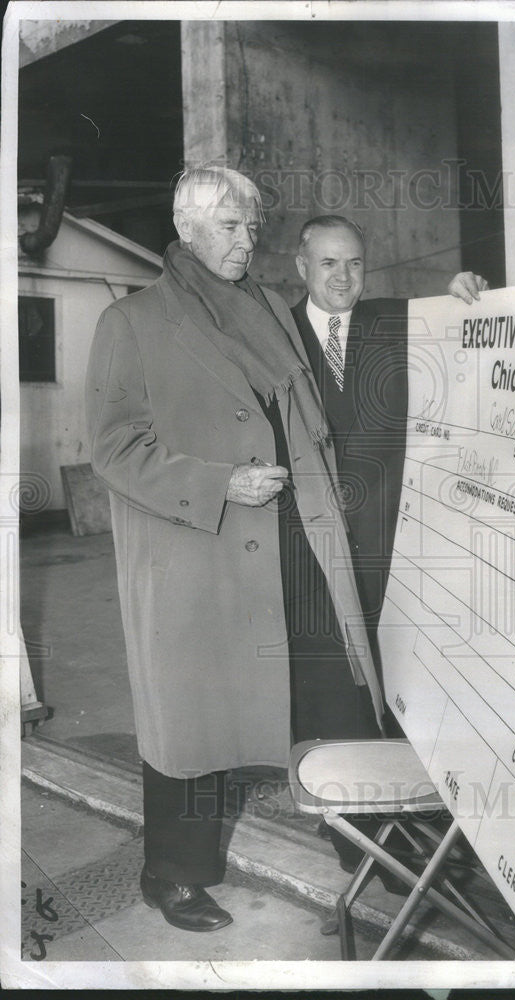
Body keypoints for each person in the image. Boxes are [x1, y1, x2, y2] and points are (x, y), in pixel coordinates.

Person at [85, 167, 384, 932]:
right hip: (201, 548)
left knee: (331, 685)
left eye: (251, 226)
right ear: (186, 229)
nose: (245, 240)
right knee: (193, 723)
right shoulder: (133, 323)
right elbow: (114, 449)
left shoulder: (268, 311)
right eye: (228, 226)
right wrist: (221, 483)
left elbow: (348, 323)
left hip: (294, 534)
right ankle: (174, 873)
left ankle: (360, 838)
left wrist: (462, 295)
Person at [291, 216, 487, 694]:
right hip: (315, 549)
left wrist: (468, 290)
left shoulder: (401, 320)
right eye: (329, 263)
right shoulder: (278, 335)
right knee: (332, 688)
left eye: (355, 263)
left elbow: (464, 324)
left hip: (394, 547)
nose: (343, 276)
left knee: (406, 684)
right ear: (302, 267)